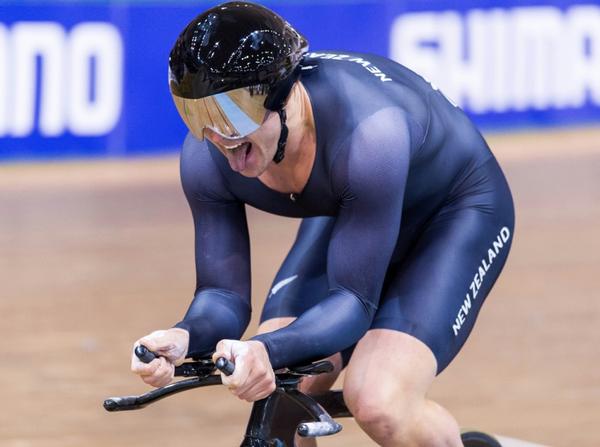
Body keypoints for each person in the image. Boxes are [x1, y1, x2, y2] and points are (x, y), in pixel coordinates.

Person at [130, 2, 515, 446]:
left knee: (378, 399)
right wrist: (184, 336)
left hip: (453, 213)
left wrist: (265, 350)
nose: (220, 139)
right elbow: (221, 296)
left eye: (233, 114)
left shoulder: (372, 136)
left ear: (281, 94)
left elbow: (352, 302)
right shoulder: (206, 157)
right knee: (280, 394)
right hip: (355, 208)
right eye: (198, 117)